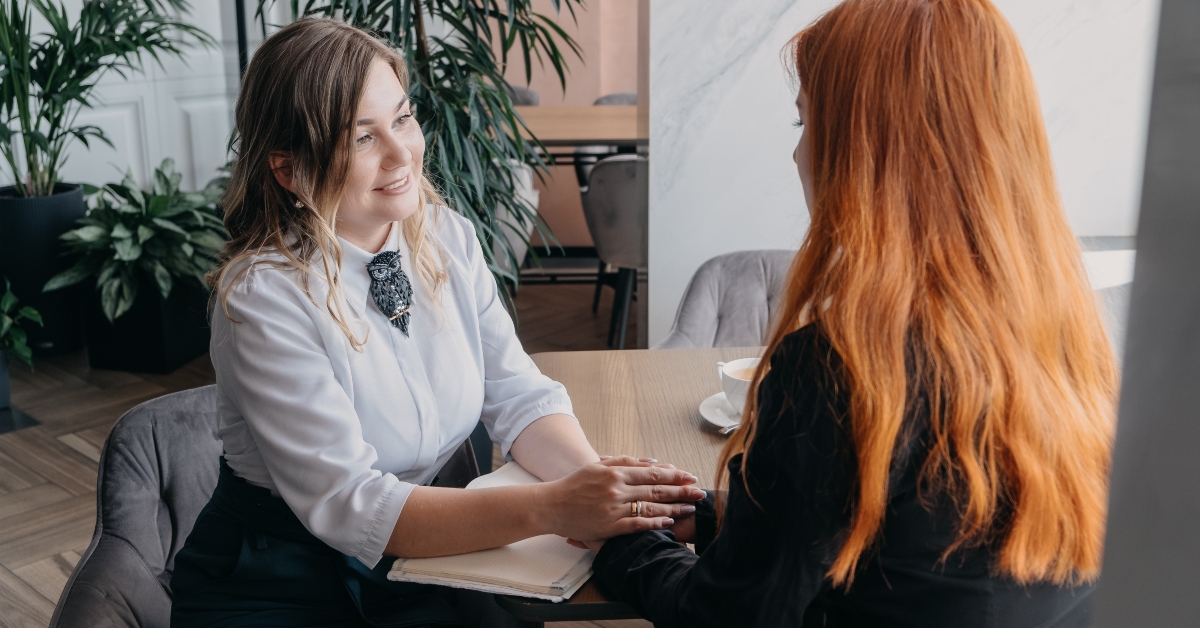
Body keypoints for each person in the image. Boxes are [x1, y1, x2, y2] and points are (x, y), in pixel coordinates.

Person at [577, 0, 1119, 626]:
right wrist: (718, 513)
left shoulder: (840, 370)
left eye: (806, 123)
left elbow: (725, 615)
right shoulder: (1070, 339)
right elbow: (919, 548)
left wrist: (626, 545)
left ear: (869, 152)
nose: (798, 155)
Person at [169, 18, 704, 627]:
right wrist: (556, 508)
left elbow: (520, 396)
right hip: (280, 578)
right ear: (289, 171)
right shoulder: (262, 299)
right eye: (362, 138)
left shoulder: (448, 236)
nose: (403, 153)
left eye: (402, 118)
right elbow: (352, 505)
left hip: (434, 547)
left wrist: (600, 493)